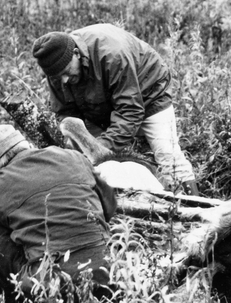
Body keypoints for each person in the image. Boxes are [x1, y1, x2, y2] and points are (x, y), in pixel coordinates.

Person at [0, 124, 117, 303]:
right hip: (109, 272)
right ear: (27, 145)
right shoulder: (73, 157)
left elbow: (8, 238)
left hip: (53, 287)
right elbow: (110, 205)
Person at [33, 23, 198, 193]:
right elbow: (66, 113)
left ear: (76, 54)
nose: (65, 80)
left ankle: (195, 208)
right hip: (100, 103)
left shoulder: (112, 55)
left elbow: (130, 111)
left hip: (149, 93)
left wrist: (99, 148)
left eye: (67, 72)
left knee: (168, 156)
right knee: (88, 161)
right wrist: (78, 145)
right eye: (58, 77)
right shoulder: (57, 70)